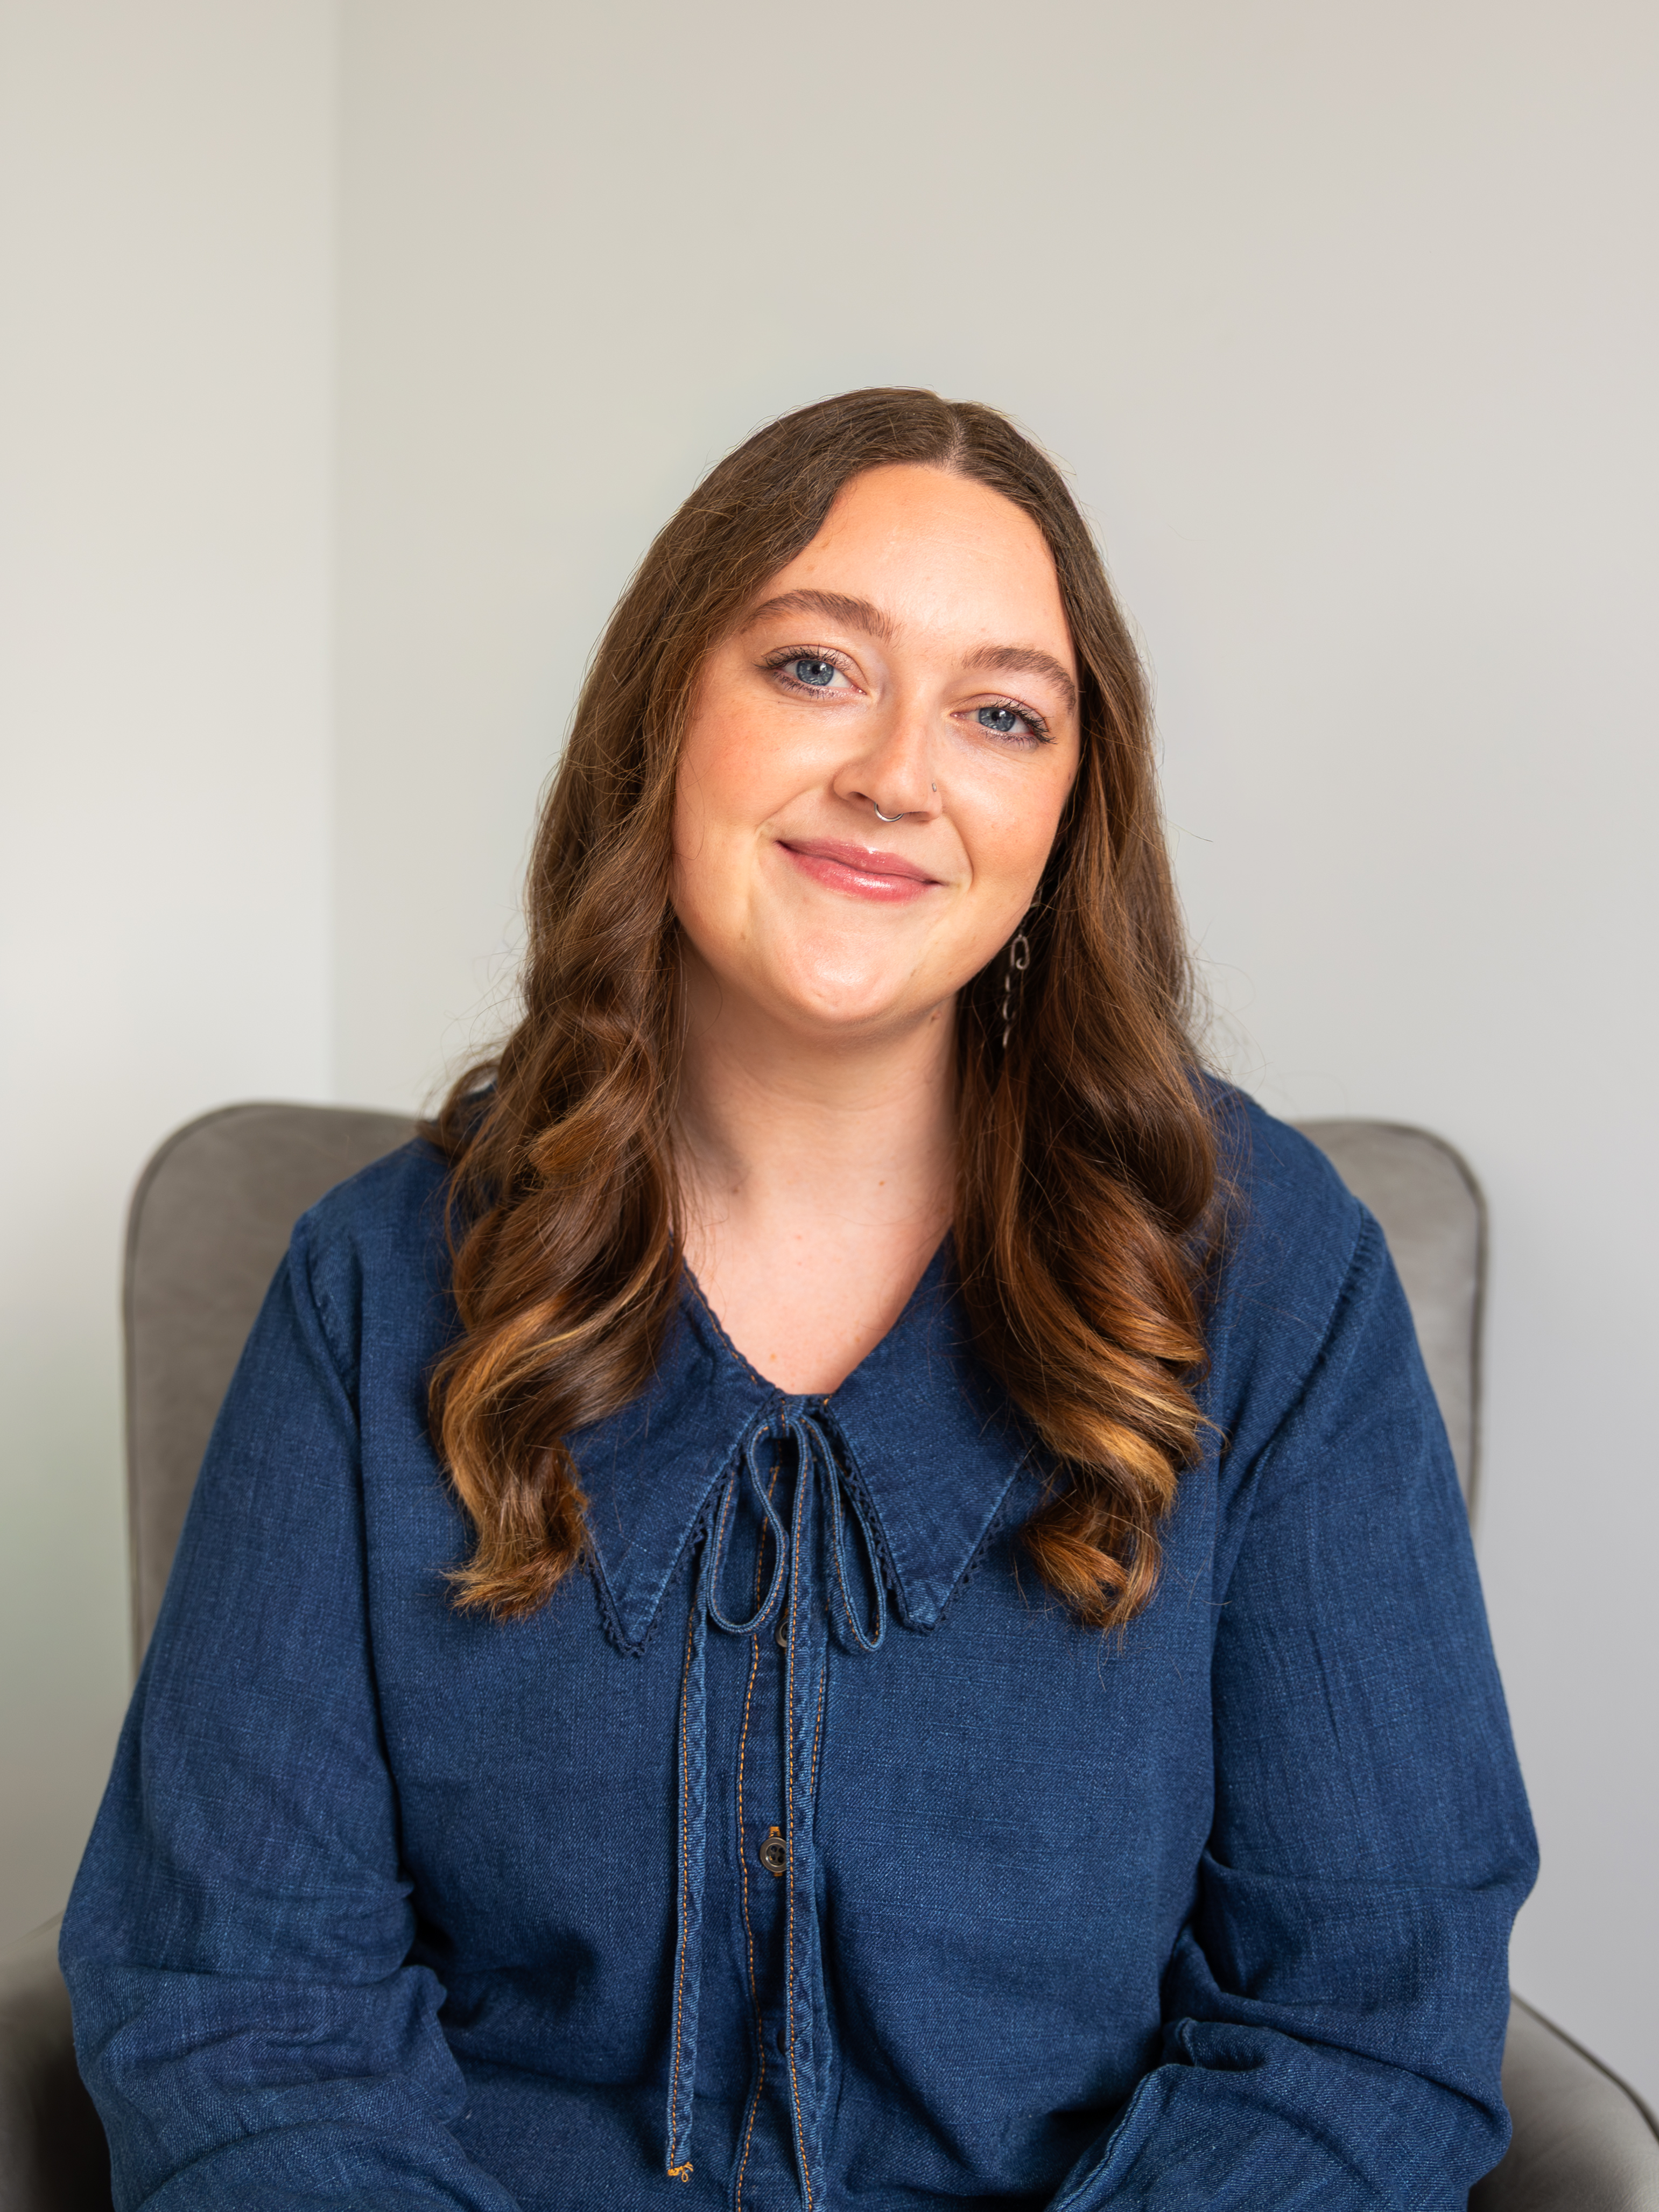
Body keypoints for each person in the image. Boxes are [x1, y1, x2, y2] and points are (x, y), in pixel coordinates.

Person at [61, 389, 1536, 2211]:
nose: (898, 774)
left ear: (1065, 815)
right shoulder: (374, 1284)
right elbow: (238, 2014)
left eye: (1000, 713)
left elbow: (1359, 2025)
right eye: (818, 669)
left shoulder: (1268, 1270)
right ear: (667, 714)